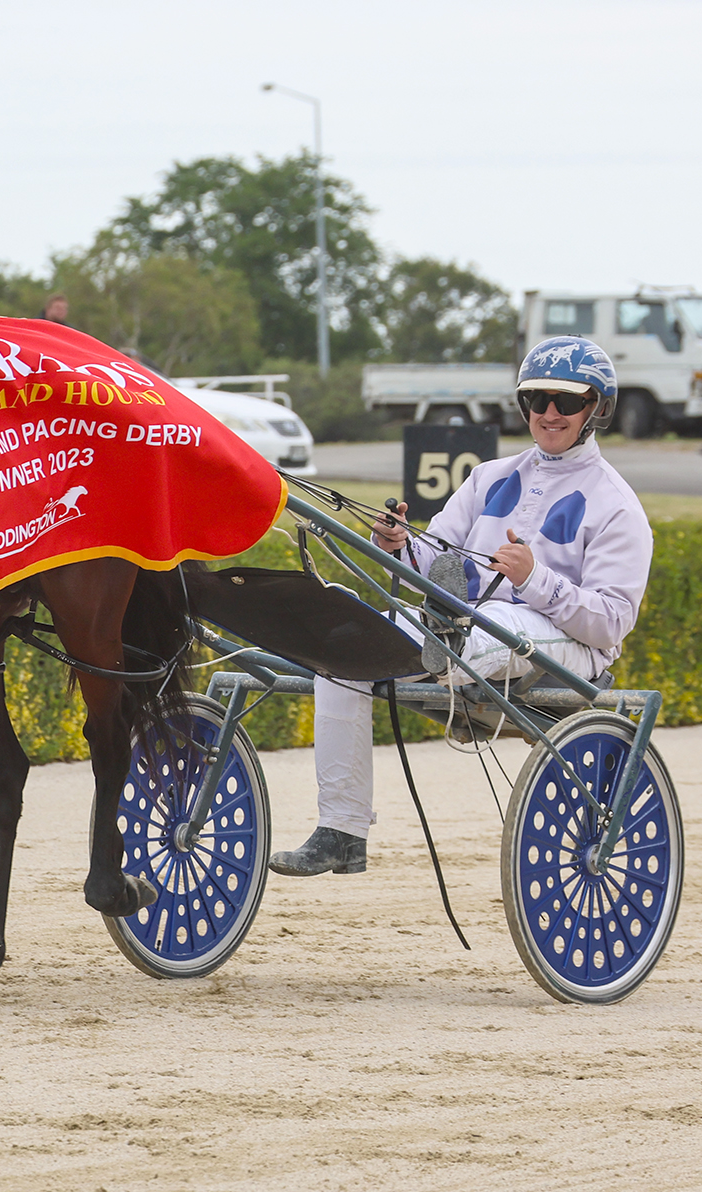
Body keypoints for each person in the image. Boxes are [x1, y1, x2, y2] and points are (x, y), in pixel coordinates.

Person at [270, 336, 653, 876]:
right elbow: (436, 558)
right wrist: (399, 544)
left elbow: (612, 622)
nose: (549, 413)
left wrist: (536, 580)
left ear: (598, 408)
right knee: (343, 650)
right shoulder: (488, 478)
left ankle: (443, 643)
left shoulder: (617, 505)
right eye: (537, 399)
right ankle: (341, 830)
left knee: (486, 622)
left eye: (566, 401)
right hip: (469, 628)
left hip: (566, 647)